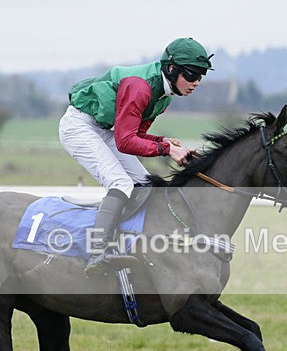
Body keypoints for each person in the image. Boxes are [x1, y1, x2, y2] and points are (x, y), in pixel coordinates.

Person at [59, 37, 213, 276]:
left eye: (201, 77)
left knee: (143, 184)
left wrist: (164, 143)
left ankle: (127, 240)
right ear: (172, 70)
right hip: (79, 126)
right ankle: (97, 252)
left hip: (107, 129)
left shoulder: (164, 97)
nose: (196, 83)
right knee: (120, 182)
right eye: (192, 75)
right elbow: (125, 141)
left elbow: (136, 135)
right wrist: (167, 149)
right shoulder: (140, 87)